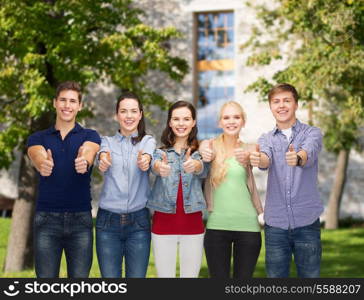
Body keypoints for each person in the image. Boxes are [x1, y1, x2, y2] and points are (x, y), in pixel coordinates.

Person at [27, 81, 101, 278]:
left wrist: (84, 160)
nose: (67, 105)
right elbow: (36, 154)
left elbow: (89, 150)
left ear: (80, 106)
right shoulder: (38, 137)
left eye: (72, 101)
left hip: (81, 221)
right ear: (54, 103)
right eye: (63, 100)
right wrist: (43, 163)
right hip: (47, 220)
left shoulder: (90, 134)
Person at [250, 83, 323, 278]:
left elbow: (309, 150)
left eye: (286, 100)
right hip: (276, 226)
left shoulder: (312, 133)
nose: (281, 105)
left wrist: (298, 158)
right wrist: (258, 159)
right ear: (271, 106)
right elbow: (265, 158)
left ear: (296, 104)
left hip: (307, 222)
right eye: (276, 101)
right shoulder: (266, 138)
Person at [199, 101, 263, 279]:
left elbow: (262, 159)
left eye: (236, 117)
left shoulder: (250, 149)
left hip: (248, 227)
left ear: (243, 121)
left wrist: (253, 157)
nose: (231, 121)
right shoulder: (209, 146)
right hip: (217, 227)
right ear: (220, 122)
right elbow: (202, 153)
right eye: (226, 117)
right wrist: (204, 153)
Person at [96, 91, 156, 278]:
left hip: (138, 222)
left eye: (133, 111)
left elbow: (147, 155)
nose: (128, 116)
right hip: (108, 223)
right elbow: (103, 155)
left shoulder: (148, 141)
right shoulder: (106, 141)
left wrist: (145, 161)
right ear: (117, 115)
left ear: (140, 114)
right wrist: (103, 160)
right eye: (124, 111)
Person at [147, 100, 208, 278]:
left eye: (186, 119)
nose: (181, 124)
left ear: (194, 122)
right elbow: (154, 165)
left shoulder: (200, 153)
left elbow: (202, 168)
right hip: (163, 226)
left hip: (193, 228)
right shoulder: (160, 153)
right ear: (170, 122)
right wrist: (159, 167)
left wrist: (196, 165)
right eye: (176, 119)